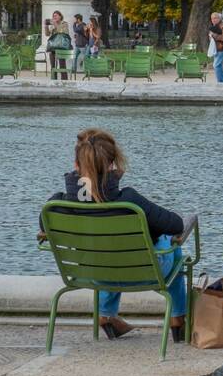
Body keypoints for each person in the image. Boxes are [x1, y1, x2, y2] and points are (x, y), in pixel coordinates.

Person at [46, 128, 190, 341]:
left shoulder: (59, 204)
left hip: (90, 274)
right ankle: (178, 319)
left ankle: (106, 316)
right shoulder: (130, 202)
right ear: (112, 165)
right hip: (145, 273)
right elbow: (176, 224)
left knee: (105, 251)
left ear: (76, 165)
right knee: (173, 244)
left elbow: (43, 224)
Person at [45, 11, 71, 80]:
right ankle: (53, 80)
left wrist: (55, 25)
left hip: (62, 47)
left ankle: (65, 81)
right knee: (53, 66)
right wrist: (46, 26)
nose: (54, 17)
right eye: (53, 16)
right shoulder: (52, 25)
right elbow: (47, 34)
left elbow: (63, 32)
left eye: (56, 15)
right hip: (53, 47)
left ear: (60, 16)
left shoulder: (64, 24)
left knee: (62, 66)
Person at [208, 12, 223, 83]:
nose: (213, 20)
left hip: (222, 48)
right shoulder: (215, 26)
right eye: (212, 18)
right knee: (218, 66)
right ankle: (220, 82)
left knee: (216, 65)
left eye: (215, 18)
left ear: (219, 18)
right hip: (217, 48)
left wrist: (213, 35)